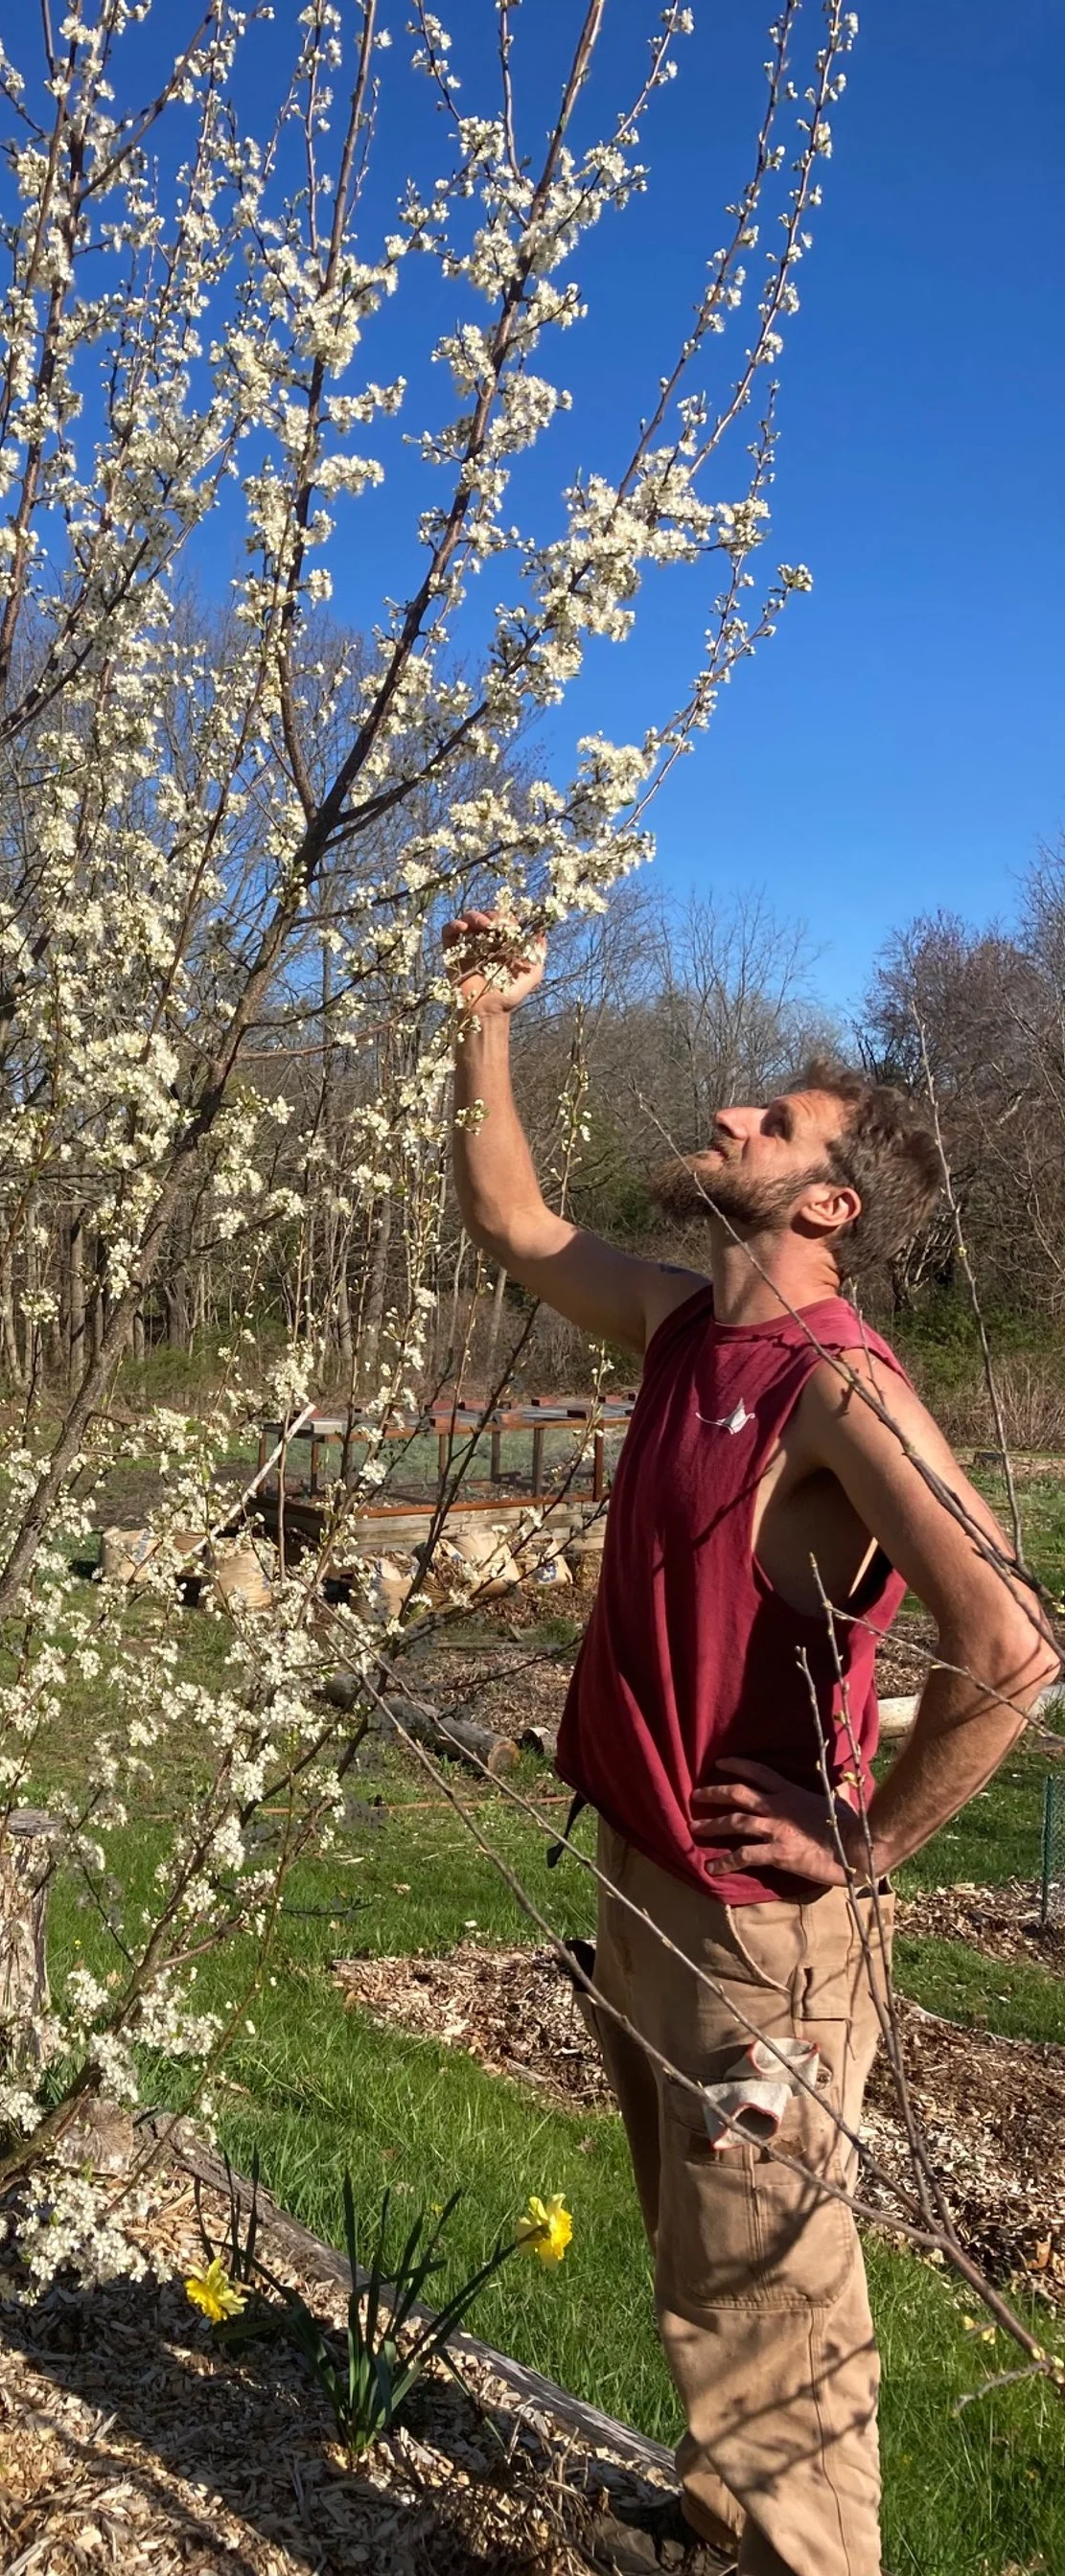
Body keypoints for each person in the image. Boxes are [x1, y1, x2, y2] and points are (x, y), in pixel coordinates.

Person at [443, 911, 1057, 2576]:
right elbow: (511, 1218)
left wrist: (869, 1847)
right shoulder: (682, 1332)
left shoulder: (837, 1386)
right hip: (650, 1879)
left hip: (757, 1931)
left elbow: (1013, 1648)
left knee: (778, 2310)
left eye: (771, 1127)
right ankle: (718, 2530)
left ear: (828, 1205)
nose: (728, 1119)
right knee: (702, 2264)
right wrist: (488, 1017)